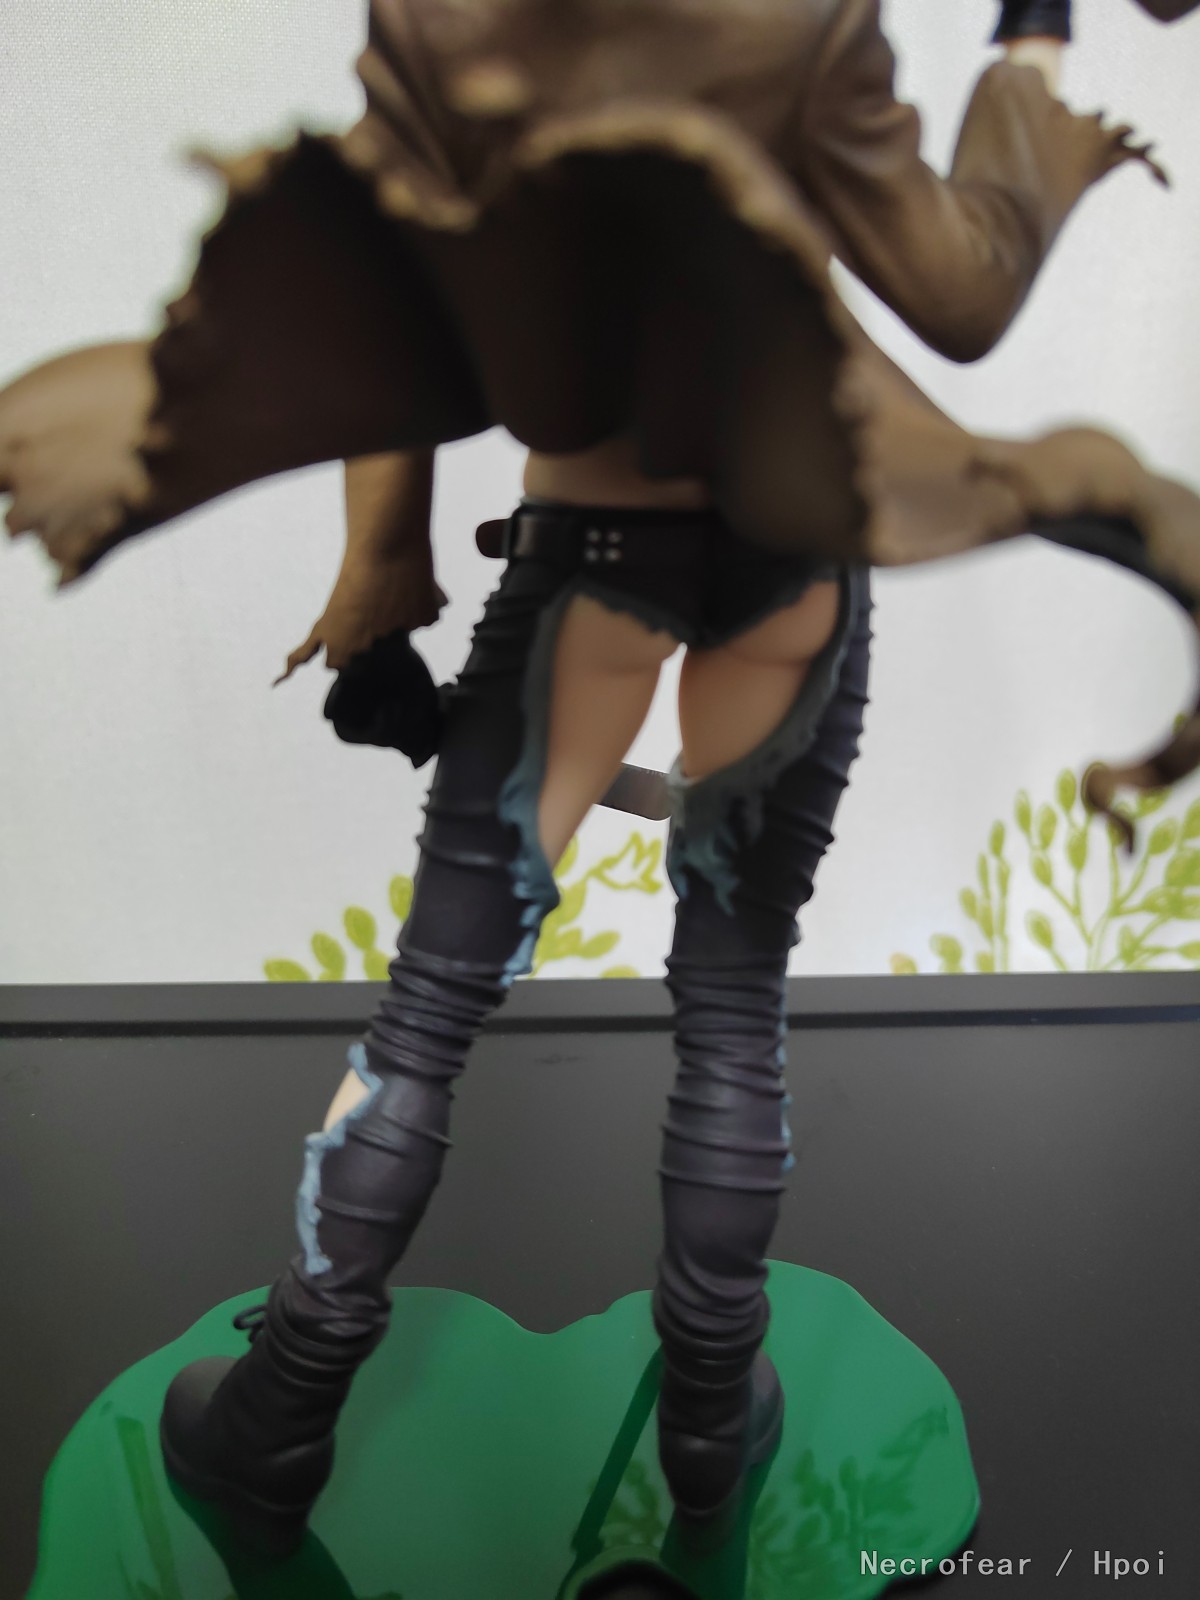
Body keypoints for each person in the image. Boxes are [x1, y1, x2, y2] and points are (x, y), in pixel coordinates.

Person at [3, 0, 1199, 1561]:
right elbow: (963, 290)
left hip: (590, 558)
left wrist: (381, 580)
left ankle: (285, 1403)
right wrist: (1032, 46)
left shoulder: (445, 14)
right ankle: (708, 1421)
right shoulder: (810, 19)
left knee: (428, 1010)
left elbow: (394, 306)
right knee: (733, 1007)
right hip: (788, 567)